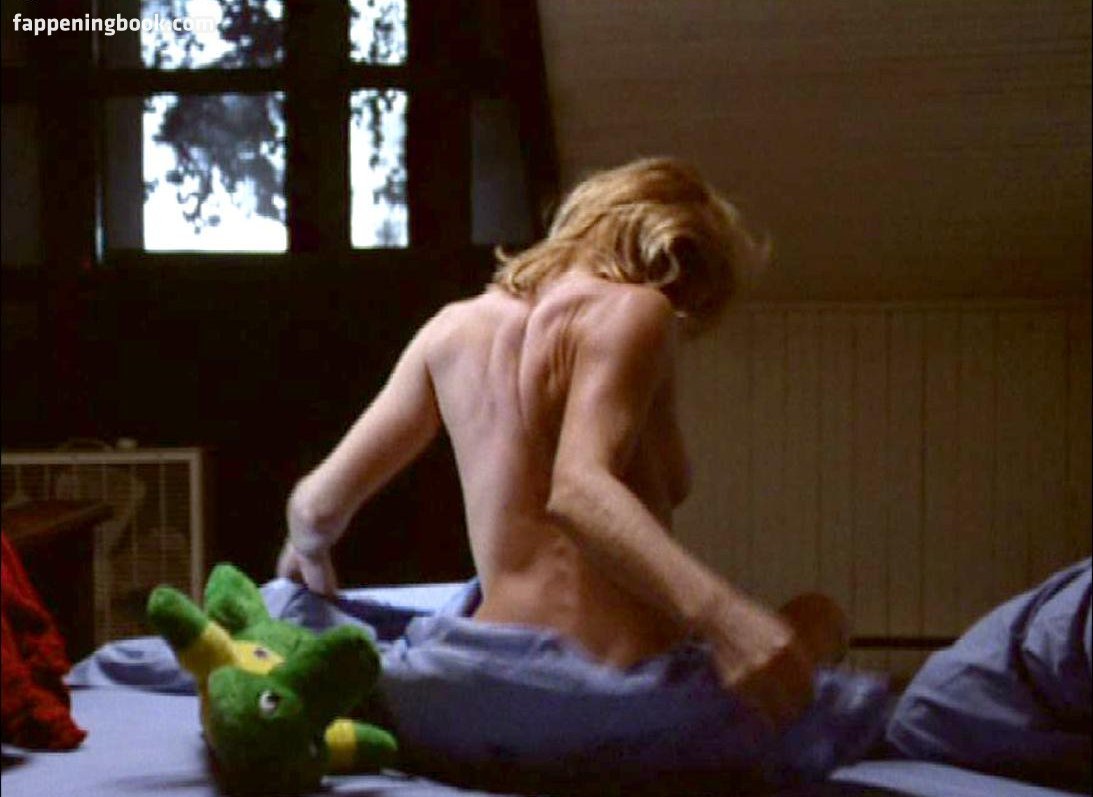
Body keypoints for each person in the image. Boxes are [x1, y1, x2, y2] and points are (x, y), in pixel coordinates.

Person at [276, 157, 846, 734]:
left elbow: (314, 511)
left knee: (344, 616)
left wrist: (310, 558)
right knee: (819, 617)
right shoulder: (636, 306)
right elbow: (578, 490)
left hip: (476, 680)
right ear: (670, 251)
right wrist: (725, 619)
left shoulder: (448, 330)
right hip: (609, 694)